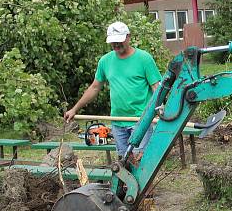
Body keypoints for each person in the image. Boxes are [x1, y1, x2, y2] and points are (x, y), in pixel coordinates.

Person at [64, 21, 162, 162]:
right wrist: (74, 109)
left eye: (119, 41)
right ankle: (128, 185)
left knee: (140, 161)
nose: (116, 45)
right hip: (117, 121)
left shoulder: (143, 58)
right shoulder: (105, 61)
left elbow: (156, 88)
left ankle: (144, 185)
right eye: (113, 42)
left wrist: (160, 109)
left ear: (128, 37)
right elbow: (94, 87)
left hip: (140, 120)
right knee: (124, 162)